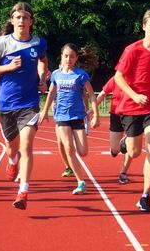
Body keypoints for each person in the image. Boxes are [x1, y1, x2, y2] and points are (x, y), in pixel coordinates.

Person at [0, 2, 48, 210]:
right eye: (17, 17)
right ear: (12, 20)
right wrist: (7, 67)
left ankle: (23, 190)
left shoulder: (39, 43)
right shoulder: (1, 43)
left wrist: (42, 78)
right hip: (6, 103)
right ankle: (12, 161)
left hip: (29, 103)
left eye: (25, 17)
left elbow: (43, 60)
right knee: (12, 148)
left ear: (31, 21)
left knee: (27, 145)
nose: (21, 21)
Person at [114, 9, 150, 212]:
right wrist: (134, 95)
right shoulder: (133, 50)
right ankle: (126, 141)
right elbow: (118, 77)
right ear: (144, 26)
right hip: (132, 105)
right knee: (134, 151)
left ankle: (146, 195)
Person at [39, 43, 100, 195]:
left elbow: (91, 95)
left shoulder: (80, 75)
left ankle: (77, 173)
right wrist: (45, 111)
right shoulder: (56, 75)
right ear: (62, 57)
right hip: (61, 116)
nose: (68, 59)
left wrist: (95, 115)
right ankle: (81, 182)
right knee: (68, 148)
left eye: (72, 56)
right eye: (66, 56)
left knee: (83, 151)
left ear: (76, 58)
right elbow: (52, 93)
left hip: (78, 116)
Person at [95, 76, 131, 184]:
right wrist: (92, 109)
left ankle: (123, 172)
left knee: (131, 143)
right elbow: (102, 94)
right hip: (116, 114)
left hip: (132, 114)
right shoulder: (116, 78)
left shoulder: (138, 77)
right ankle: (117, 147)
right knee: (115, 149)